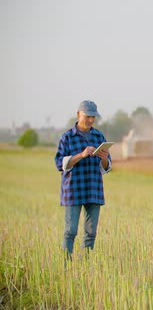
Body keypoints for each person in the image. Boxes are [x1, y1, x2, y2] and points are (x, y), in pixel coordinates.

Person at [54, 100, 112, 258]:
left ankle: (85, 267)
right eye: (88, 116)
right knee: (70, 231)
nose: (91, 120)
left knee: (91, 233)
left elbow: (107, 167)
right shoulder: (67, 137)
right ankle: (66, 265)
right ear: (78, 114)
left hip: (94, 189)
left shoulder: (99, 136)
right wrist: (82, 154)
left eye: (94, 117)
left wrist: (104, 158)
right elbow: (60, 164)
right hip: (73, 190)